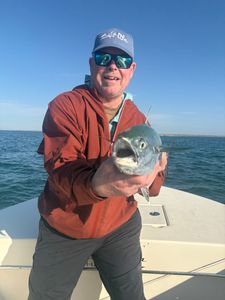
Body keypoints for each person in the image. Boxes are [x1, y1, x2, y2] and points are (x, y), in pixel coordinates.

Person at [28, 28, 167, 300]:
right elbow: (61, 169)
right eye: (104, 57)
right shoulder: (65, 106)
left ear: (132, 69)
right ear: (92, 63)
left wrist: (156, 173)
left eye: (123, 61)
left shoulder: (139, 119)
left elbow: (153, 181)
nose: (113, 66)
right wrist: (96, 184)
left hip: (121, 225)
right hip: (66, 227)